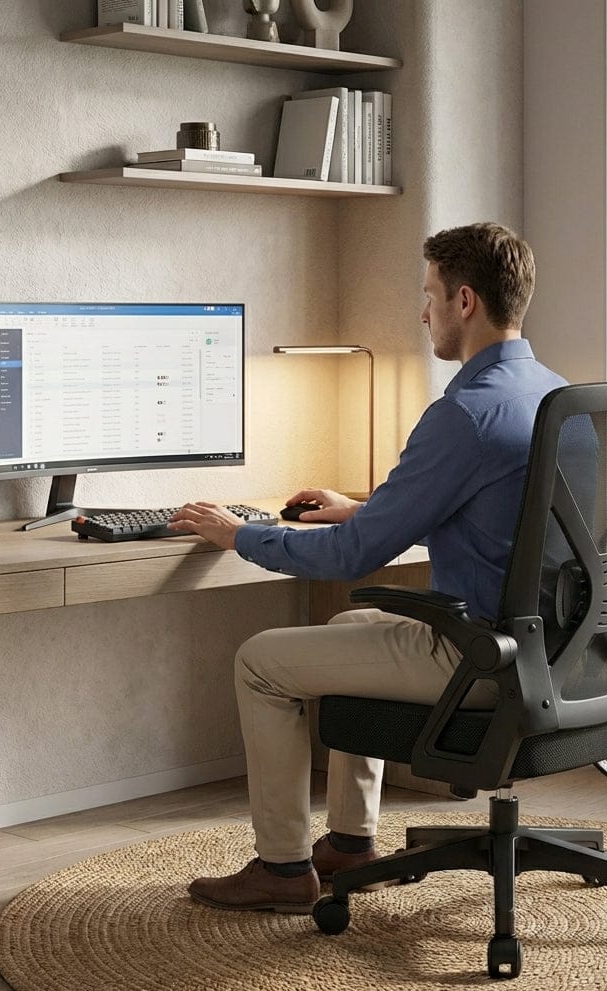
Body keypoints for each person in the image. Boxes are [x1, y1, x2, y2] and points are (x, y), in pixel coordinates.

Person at [168, 222, 567, 914]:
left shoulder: (466, 414)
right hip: (556, 652)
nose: (424, 311)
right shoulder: (552, 395)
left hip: (480, 659)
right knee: (354, 622)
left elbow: (355, 559)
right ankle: (350, 842)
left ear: (464, 302)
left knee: (262, 661)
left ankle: (283, 868)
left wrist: (240, 536)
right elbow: (500, 519)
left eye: (430, 294)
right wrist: (365, 507)